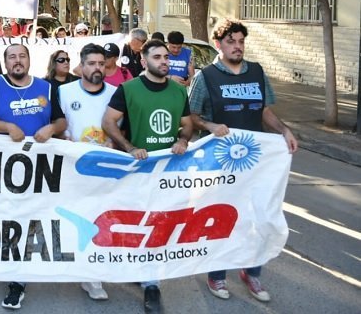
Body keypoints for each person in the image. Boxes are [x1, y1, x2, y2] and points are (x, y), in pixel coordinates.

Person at [189, 19, 297, 304]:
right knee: (222, 218)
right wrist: (210, 126)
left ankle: (252, 271)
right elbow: (192, 116)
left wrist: (284, 130)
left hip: (254, 161)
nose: (237, 47)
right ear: (218, 44)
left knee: (258, 216)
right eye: (231, 42)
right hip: (220, 163)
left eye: (240, 42)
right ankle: (217, 273)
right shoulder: (206, 77)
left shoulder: (257, 72)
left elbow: (264, 111)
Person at [101, 38, 192, 313]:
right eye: (157, 57)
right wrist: (129, 147)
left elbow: (187, 124)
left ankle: (152, 283)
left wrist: (183, 140)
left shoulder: (178, 91)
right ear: (144, 61)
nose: (163, 61)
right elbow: (108, 122)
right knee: (136, 221)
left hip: (168, 170)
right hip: (137, 171)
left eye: (166, 57)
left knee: (158, 224)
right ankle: (134, 267)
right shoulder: (128, 89)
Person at [0, 44, 65, 309]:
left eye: (22, 56)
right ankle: (7, 267)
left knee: (31, 219)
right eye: (12, 57)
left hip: (39, 168)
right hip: (4, 167)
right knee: (7, 218)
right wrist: (7, 126)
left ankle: (19, 278)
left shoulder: (46, 88)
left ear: (29, 60)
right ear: (5, 62)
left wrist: (51, 129)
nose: (18, 61)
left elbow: (61, 121)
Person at [56, 43, 114, 300]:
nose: (97, 68)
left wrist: (114, 143)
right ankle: (70, 266)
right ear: (81, 66)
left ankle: (93, 277)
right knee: (71, 217)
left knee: (97, 219)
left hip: (102, 167)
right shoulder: (64, 91)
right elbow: (57, 123)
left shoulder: (115, 93)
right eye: (91, 64)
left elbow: (121, 127)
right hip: (71, 166)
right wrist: (64, 138)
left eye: (101, 63)